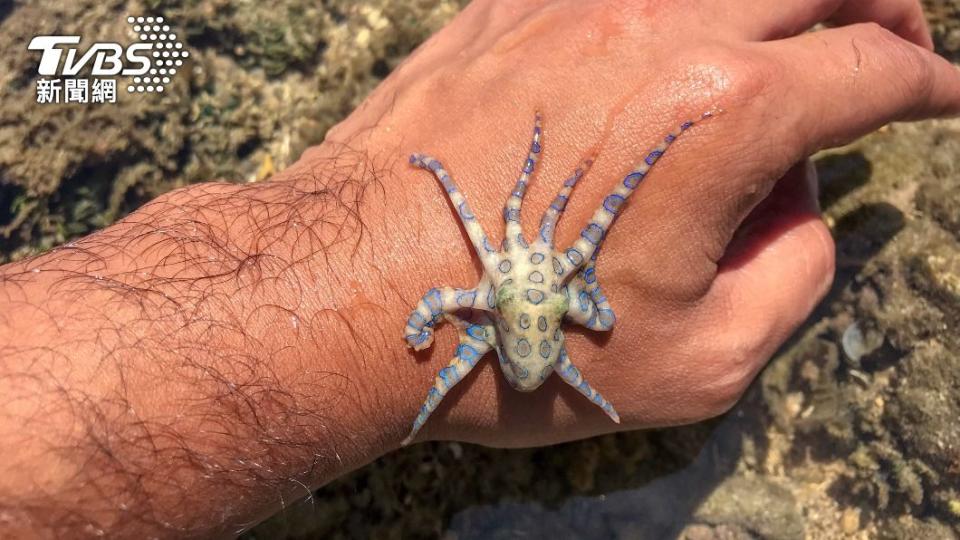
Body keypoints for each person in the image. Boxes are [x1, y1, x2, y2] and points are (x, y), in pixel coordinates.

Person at [1, 0, 957, 537]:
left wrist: (416, 312)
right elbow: (577, 230)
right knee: (569, 214)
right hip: (535, 346)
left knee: (523, 226)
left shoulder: (495, 288)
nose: (536, 252)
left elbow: (482, 242)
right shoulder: (535, 277)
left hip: (523, 342)